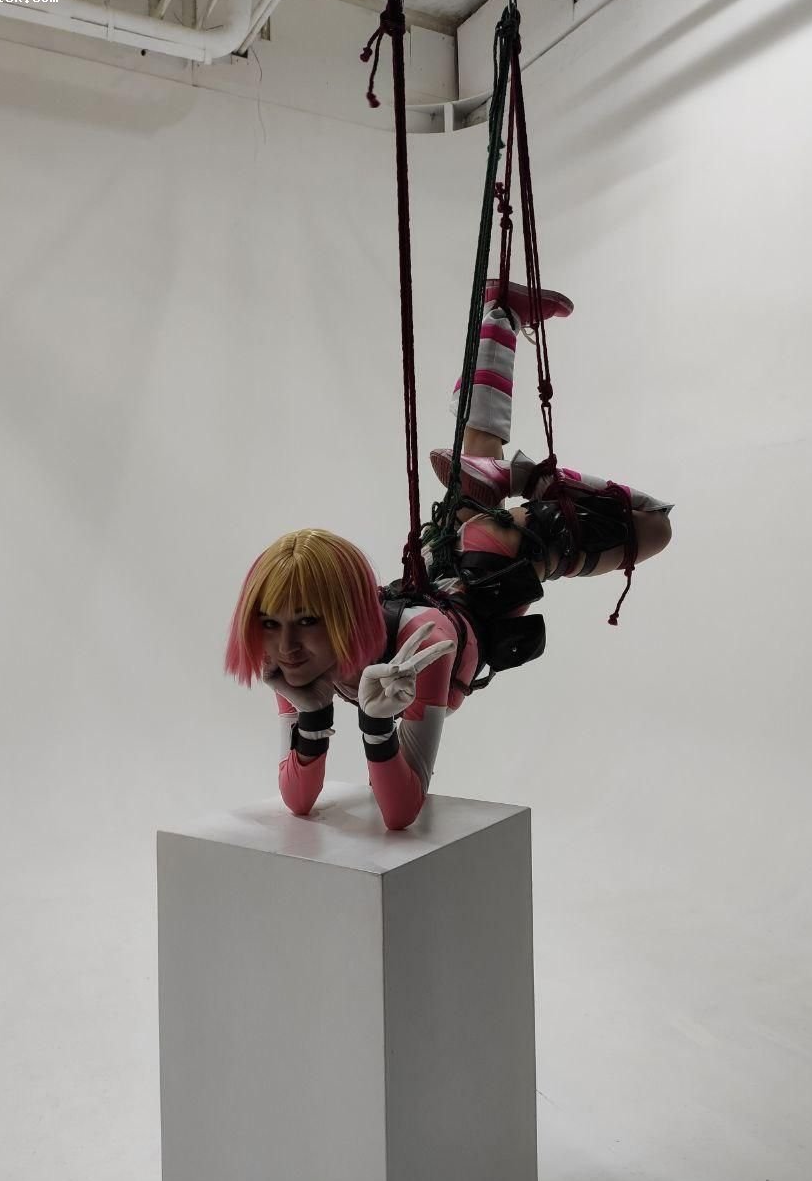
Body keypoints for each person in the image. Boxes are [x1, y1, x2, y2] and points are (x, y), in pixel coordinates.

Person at [226, 281, 673, 832]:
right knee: (478, 452)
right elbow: (298, 801)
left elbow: (401, 811)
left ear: (343, 612)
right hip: (442, 567)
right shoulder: (293, 665)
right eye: (270, 623)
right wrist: (313, 713)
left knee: (655, 525)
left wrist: (376, 727)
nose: (286, 645)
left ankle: (518, 478)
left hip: (494, 564)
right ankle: (502, 314)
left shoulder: (424, 645)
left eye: (307, 621)